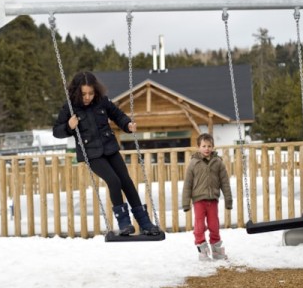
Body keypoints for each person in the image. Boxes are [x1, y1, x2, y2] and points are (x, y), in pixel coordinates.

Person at [53, 71, 160, 236]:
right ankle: (124, 222)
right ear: (76, 92)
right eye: (84, 94)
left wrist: (127, 125)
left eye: (91, 93)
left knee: (127, 182)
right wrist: (69, 126)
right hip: (92, 154)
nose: (87, 97)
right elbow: (56, 131)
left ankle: (145, 222)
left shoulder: (102, 102)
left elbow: (117, 115)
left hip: (110, 148)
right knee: (114, 181)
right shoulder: (69, 107)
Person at [182, 133, 233, 261]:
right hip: (199, 200)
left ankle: (216, 249)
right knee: (199, 225)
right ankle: (202, 249)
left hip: (213, 200)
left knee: (214, 225)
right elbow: (187, 184)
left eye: (209, 146)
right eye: (204, 146)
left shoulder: (218, 162)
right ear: (198, 147)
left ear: (213, 147)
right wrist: (186, 203)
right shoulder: (194, 163)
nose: (207, 148)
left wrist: (228, 199)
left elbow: (224, 182)